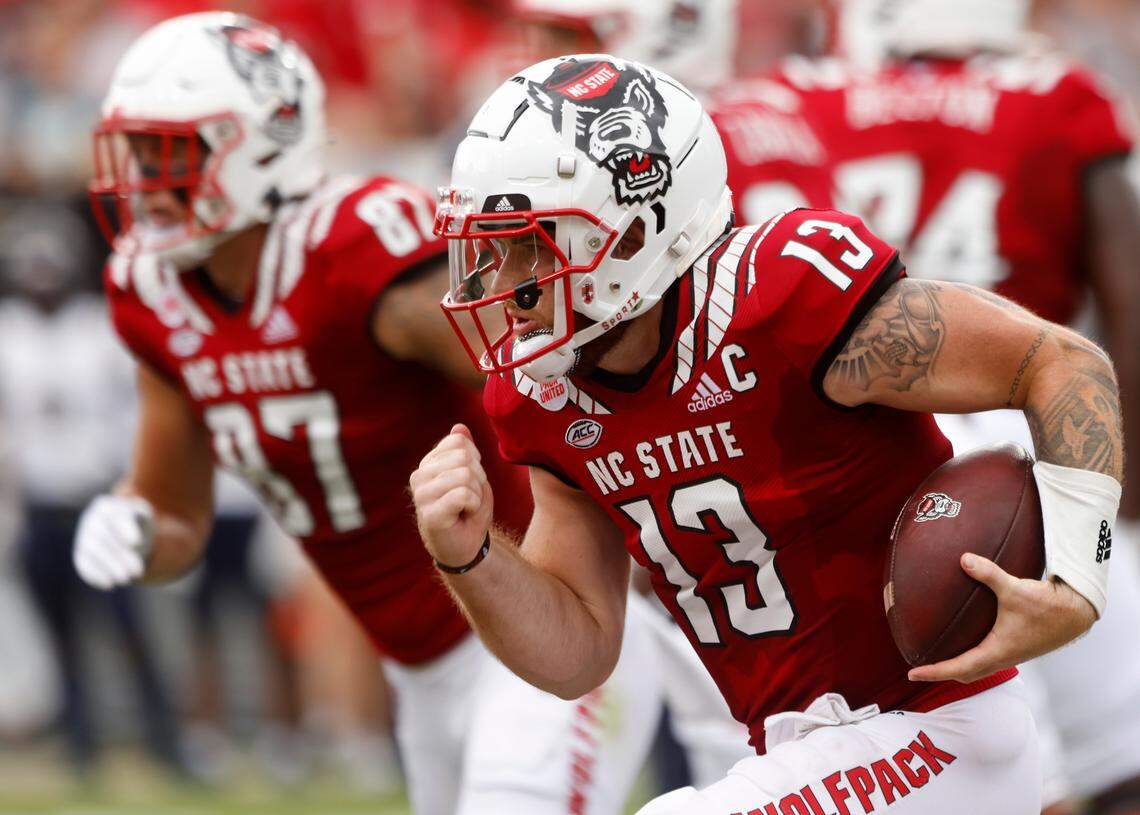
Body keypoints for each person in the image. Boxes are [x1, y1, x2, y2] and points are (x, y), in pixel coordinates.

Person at [412, 54, 1123, 814]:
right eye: (492, 246)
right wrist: (472, 556)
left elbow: (1061, 361)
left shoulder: (784, 297)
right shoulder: (544, 397)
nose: (502, 284)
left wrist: (1079, 577)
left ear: (633, 230)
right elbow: (578, 653)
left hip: (934, 731)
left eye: (531, 242)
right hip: (805, 753)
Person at [73, 13, 658, 814]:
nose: (144, 180)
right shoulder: (151, 295)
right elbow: (176, 516)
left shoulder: (353, 254)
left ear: (257, 144)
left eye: (169, 152)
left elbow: (562, 376)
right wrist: (136, 530)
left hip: (540, 615)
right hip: (421, 667)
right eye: (137, 152)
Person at [771, 2, 1140, 811]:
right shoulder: (1059, 94)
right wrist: (1122, 488)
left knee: (964, 751)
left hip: (868, 450)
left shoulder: (798, 98)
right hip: (1038, 430)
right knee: (1111, 758)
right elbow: (1129, 294)